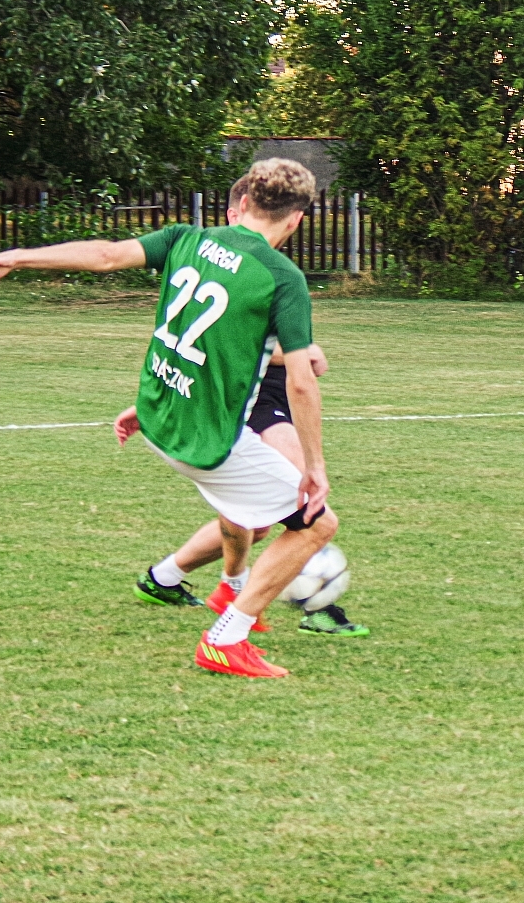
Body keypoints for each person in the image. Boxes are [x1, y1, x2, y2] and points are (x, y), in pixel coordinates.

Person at [0, 158, 339, 678]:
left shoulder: (185, 238)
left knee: (259, 513)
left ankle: (208, 584)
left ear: (245, 201)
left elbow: (106, 255)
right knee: (317, 523)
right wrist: (315, 466)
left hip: (159, 420)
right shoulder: (281, 277)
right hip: (205, 442)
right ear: (296, 220)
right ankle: (227, 637)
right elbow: (301, 380)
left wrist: (15, 256)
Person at [135, 180, 367, 637]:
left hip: (262, 391)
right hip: (257, 397)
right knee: (303, 505)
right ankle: (311, 603)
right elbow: (220, 343)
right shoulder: (225, 259)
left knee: (260, 518)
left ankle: (170, 577)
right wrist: (298, 354)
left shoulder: (265, 268)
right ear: (236, 211)